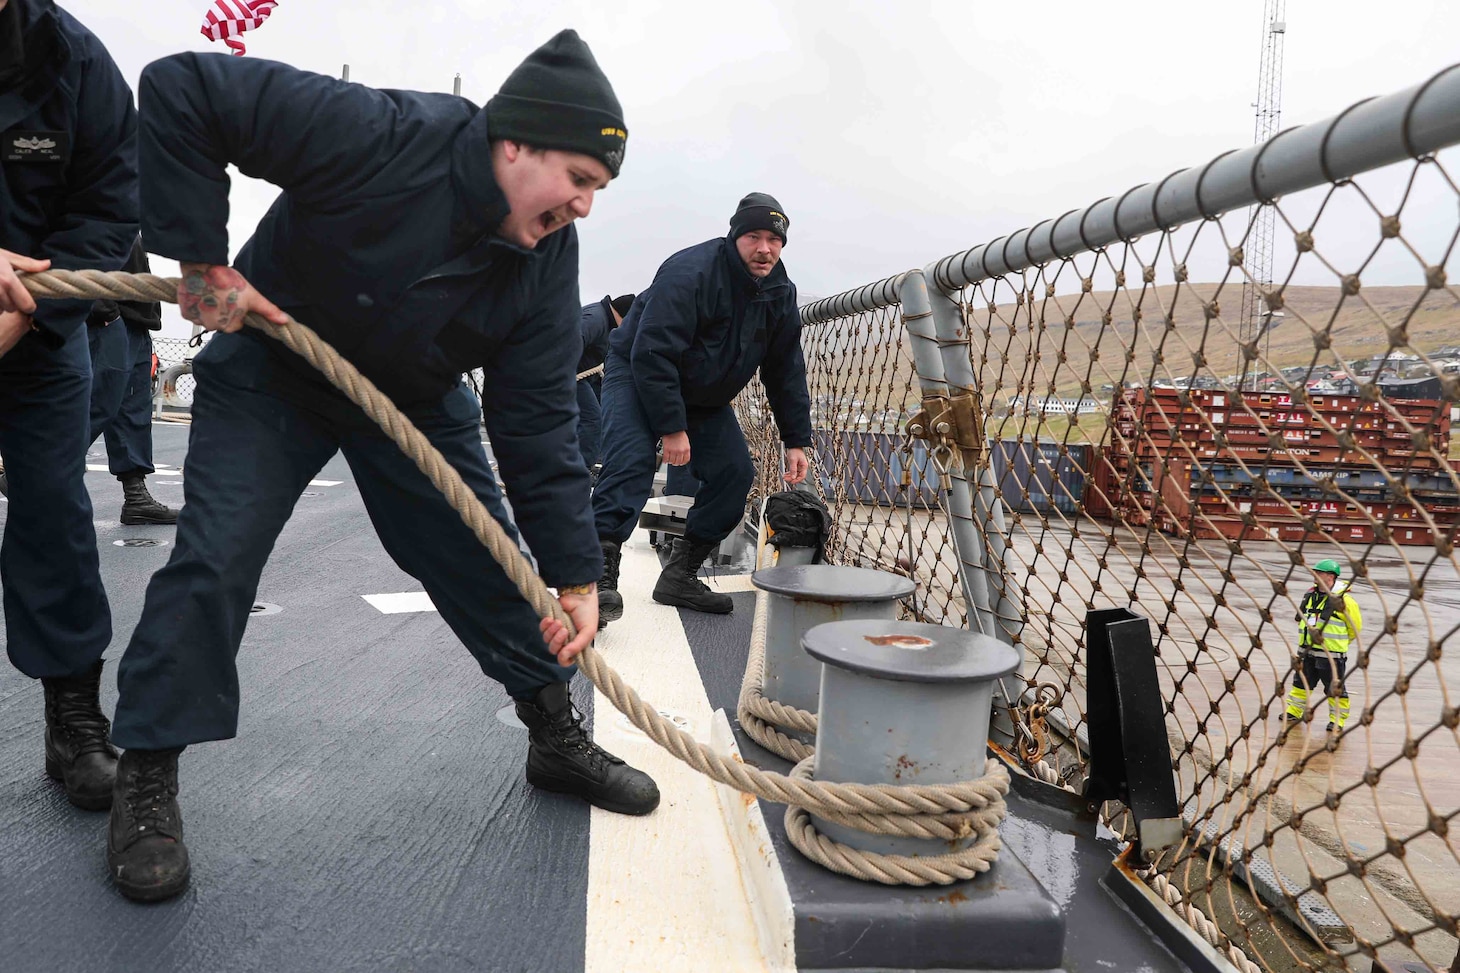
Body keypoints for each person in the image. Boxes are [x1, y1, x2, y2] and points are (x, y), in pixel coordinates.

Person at [105, 30, 658, 904]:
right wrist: (201, 261)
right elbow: (184, 88)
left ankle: (553, 729)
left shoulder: (548, 258)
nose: (585, 206)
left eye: (598, 191)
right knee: (217, 555)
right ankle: (147, 771)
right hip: (274, 369)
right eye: (580, 180)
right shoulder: (385, 133)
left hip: (413, 393)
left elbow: (538, 418)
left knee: (486, 558)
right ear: (515, 143)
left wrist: (575, 573)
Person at [0, 0, 139, 812]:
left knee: (52, 513)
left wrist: (21, 315)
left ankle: (74, 721)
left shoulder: (79, 66)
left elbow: (109, 211)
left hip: (43, 336)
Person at [592, 193, 811, 623]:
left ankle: (680, 575)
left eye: (774, 239)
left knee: (734, 473)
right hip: (639, 373)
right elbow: (653, 352)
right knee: (632, 461)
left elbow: (786, 369)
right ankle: (595, 578)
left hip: (702, 395)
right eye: (753, 236)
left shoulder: (780, 293)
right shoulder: (691, 271)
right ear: (735, 236)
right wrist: (672, 428)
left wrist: (796, 439)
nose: (764, 248)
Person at [85, 237, 179, 525]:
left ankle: (136, 498)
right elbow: (78, 247)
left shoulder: (125, 207)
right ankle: (29, 475)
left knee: (132, 412)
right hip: (112, 322)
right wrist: (103, 309)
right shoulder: (94, 199)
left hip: (135, 323)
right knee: (96, 405)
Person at [1284, 559, 1362, 733]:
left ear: (1330, 577)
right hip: (1306, 650)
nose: (1315, 575)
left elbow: (1354, 627)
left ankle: (1337, 720)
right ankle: (1294, 711)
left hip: (1331, 653)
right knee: (1301, 682)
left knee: (1334, 688)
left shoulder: (1345, 601)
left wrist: (1339, 643)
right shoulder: (1310, 596)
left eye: (1319, 572)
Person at [575, 292, 635, 474]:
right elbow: (568, 343)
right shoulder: (595, 320)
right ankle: (580, 471)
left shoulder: (602, 319)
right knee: (592, 419)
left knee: (602, 407)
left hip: (580, 376)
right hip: (565, 376)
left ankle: (592, 461)